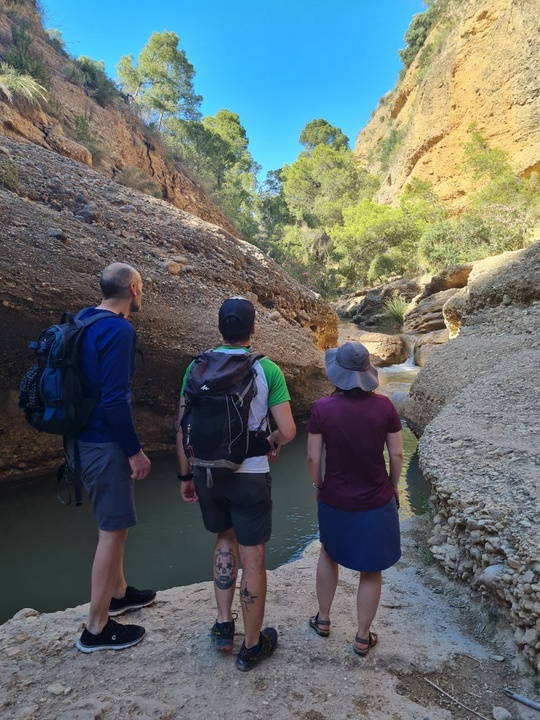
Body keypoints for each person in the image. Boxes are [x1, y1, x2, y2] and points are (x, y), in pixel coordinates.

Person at [176, 296, 296, 672]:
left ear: (219, 327)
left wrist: (185, 474)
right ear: (253, 328)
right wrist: (272, 441)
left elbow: (181, 428)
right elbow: (290, 430)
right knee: (253, 555)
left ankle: (224, 626)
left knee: (223, 539)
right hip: (251, 475)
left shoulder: (196, 367)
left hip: (207, 473)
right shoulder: (267, 370)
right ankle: (252, 645)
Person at [66, 262, 155, 653]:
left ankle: (119, 593)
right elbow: (116, 399)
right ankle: (97, 628)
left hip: (80, 440)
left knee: (114, 522)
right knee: (113, 530)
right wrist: (134, 451)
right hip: (104, 443)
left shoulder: (82, 320)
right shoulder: (119, 330)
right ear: (134, 289)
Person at [306, 341, 403, 657]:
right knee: (371, 569)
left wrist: (319, 486)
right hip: (376, 499)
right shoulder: (386, 407)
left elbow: (312, 457)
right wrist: (392, 486)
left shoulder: (322, 409)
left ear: (338, 374)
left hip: (335, 498)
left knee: (328, 553)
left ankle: (323, 620)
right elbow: (397, 453)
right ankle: (362, 638)